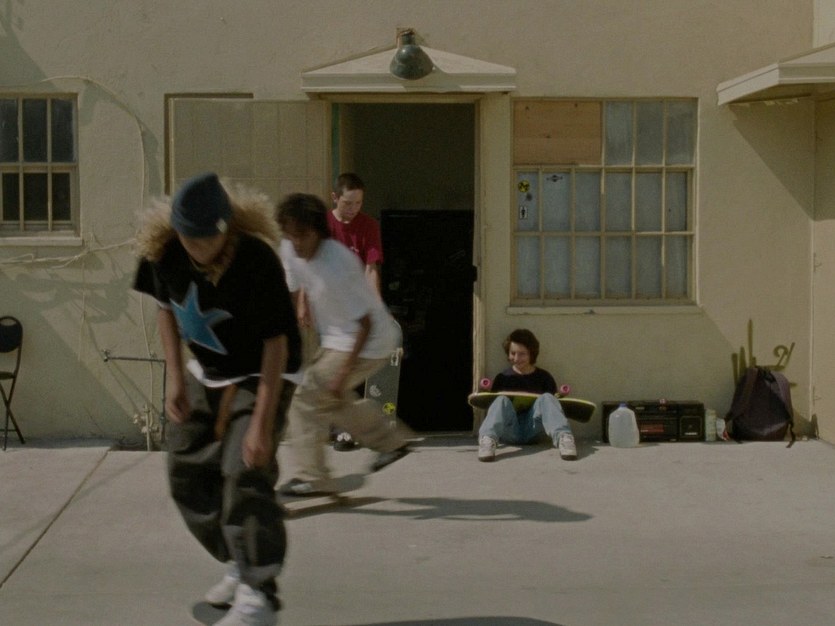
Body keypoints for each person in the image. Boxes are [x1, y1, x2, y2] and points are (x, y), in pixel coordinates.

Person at [133, 172, 300, 626]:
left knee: (244, 469)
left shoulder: (257, 260)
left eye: (209, 239)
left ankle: (259, 595)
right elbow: (163, 309)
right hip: (208, 372)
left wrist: (262, 423)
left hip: (264, 371)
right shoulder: (164, 252)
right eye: (191, 238)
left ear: (227, 228)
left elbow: (276, 344)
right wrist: (174, 378)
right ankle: (240, 561)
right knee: (184, 469)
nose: (199, 248)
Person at [275, 192, 411, 496]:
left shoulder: (338, 264)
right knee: (330, 398)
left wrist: (342, 373)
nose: (297, 243)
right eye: (290, 235)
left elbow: (365, 324)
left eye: (303, 236)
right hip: (338, 338)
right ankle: (391, 443)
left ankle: (313, 477)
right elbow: (293, 289)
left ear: (319, 233)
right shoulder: (289, 248)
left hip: (370, 341)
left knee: (307, 398)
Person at [326, 173, 383, 450]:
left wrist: (377, 307)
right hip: (326, 306)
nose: (353, 208)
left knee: (350, 367)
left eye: (358, 203)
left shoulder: (368, 226)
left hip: (355, 306)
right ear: (335, 198)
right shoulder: (323, 225)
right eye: (348, 203)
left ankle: (345, 428)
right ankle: (334, 424)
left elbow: (371, 269)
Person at [477, 329, 577, 462]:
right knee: (500, 400)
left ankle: (564, 438)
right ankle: (487, 440)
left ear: (532, 354)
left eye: (522, 354)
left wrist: (559, 396)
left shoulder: (544, 377)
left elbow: (551, 409)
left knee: (547, 398)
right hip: (509, 431)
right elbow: (495, 410)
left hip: (533, 430)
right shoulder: (502, 377)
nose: (516, 359)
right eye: (513, 353)